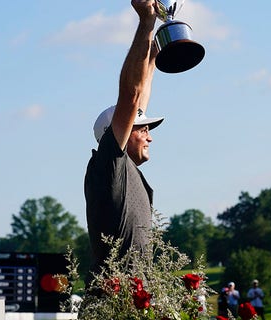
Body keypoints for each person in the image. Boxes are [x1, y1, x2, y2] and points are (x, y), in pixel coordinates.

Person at [84, 0, 164, 284]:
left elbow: (139, 97)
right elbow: (131, 96)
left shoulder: (123, 169)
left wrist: (152, 56)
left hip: (131, 301)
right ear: (120, 131)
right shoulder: (108, 164)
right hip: (111, 305)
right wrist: (145, 23)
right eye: (142, 130)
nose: (150, 136)